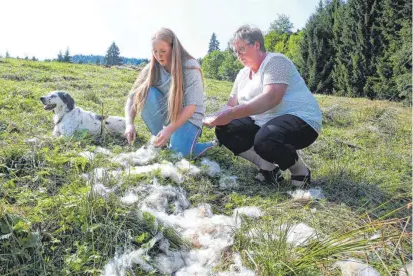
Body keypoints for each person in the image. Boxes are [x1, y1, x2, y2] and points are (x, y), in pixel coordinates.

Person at [204, 25, 322, 187]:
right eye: (235, 51)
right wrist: (213, 117)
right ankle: (268, 169)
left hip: (301, 120)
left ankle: (300, 170)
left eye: (242, 49)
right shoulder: (242, 74)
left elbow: (271, 97)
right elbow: (231, 104)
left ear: (256, 45)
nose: (238, 55)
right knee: (225, 128)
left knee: (266, 140)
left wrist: (231, 114)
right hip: (263, 124)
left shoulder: (275, 61)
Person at [124, 28, 215, 157]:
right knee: (145, 92)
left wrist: (169, 129)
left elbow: (191, 107)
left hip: (189, 117)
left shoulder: (190, 66)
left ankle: (206, 145)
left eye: (163, 51)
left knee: (178, 154)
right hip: (168, 114)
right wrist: (129, 124)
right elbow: (132, 98)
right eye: (155, 51)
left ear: (173, 49)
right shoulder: (152, 68)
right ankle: (163, 137)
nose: (158, 56)